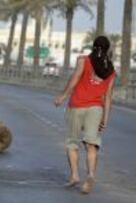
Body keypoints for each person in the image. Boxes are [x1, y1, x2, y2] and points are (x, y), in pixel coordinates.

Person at [54, 36, 116, 194]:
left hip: (77, 106)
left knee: (72, 143)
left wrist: (62, 96)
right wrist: (105, 118)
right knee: (91, 144)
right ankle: (90, 174)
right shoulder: (111, 70)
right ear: (108, 49)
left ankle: (75, 175)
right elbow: (108, 96)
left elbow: (74, 80)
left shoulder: (84, 60)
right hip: (96, 109)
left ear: (93, 46)